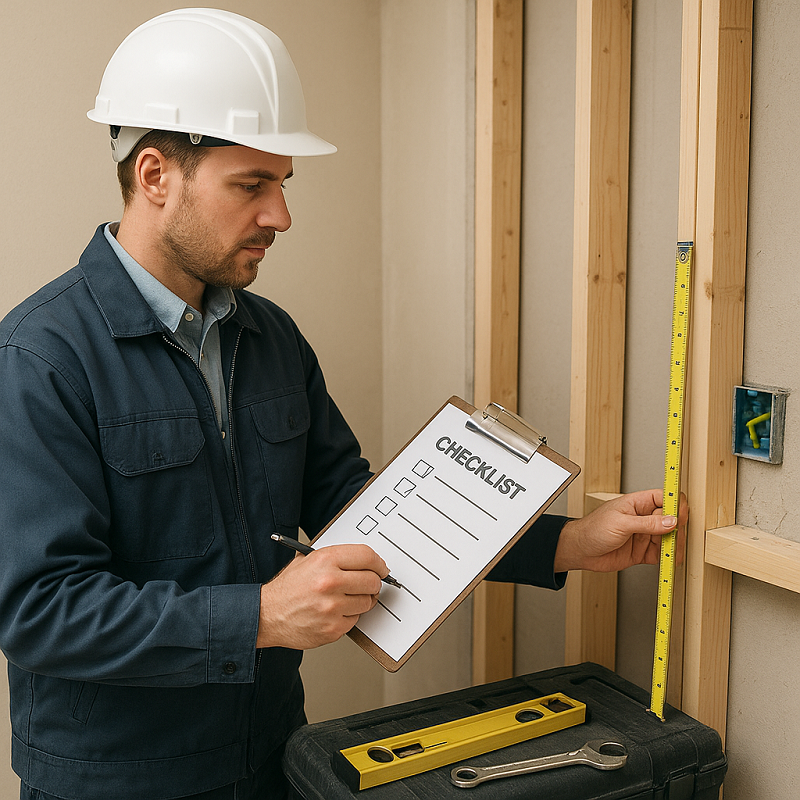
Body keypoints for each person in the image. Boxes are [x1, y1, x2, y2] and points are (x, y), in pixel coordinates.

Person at [0, 9, 685, 800]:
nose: (280, 215)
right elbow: (38, 609)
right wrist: (258, 617)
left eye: (283, 185)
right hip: (113, 783)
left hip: (271, 758)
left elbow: (360, 510)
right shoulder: (40, 360)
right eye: (250, 185)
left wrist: (568, 545)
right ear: (154, 176)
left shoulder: (270, 338)